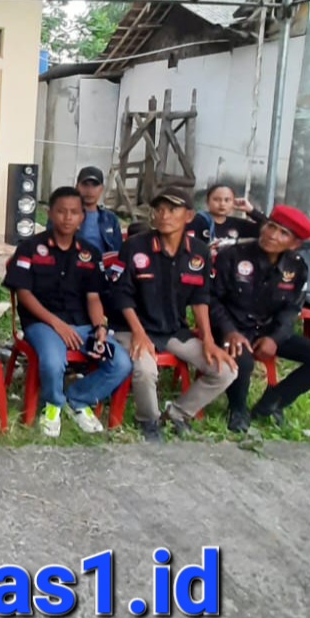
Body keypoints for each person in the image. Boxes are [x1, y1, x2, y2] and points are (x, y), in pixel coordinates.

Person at [111, 188, 237, 442]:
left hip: (172, 329)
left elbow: (201, 298)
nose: (164, 215)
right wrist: (138, 333)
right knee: (146, 369)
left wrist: (208, 340)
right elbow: (121, 294)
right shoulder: (135, 246)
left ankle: (177, 413)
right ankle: (148, 420)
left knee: (225, 370)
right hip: (132, 327)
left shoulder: (199, 252)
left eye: (172, 210)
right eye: (159, 210)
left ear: (188, 216)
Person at [3, 187, 131, 437]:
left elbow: (93, 297)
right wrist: (57, 324)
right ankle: (52, 404)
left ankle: (78, 398)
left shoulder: (89, 253)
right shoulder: (31, 248)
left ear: (82, 216)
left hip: (82, 328)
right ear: (50, 213)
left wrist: (100, 327)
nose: (68, 217)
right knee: (53, 362)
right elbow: (23, 293)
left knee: (120, 362)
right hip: (42, 325)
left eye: (74, 212)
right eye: (61, 211)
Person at [211, 205, 310, 431]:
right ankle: (237, 409)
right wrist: (230, 331)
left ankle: (272, 402)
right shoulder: (232, 255)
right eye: (270, 226)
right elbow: (213, 300)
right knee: (242, 358)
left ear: (294, 243)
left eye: (283, 233)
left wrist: (275, 339)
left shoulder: (296, 266)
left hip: (267, 329)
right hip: (231, 328)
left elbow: (291, 309)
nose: (272, 235)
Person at [75, 166, 124, 275]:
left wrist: (112, 276)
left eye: (94, 185)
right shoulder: (66, 216)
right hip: (73, 272)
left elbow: (118, 253)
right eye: (85, 185)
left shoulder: (110, 219)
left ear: (101, 188)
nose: (89, 190)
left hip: (102, 273)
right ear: (77, 186)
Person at [190, 183, 266, 249]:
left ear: (233, 202)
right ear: (207, 201)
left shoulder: (237, 224)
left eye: (227, 200)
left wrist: (252, 211)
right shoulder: (197, 221)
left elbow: (268, 230)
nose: (222, 204)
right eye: (216, 199)